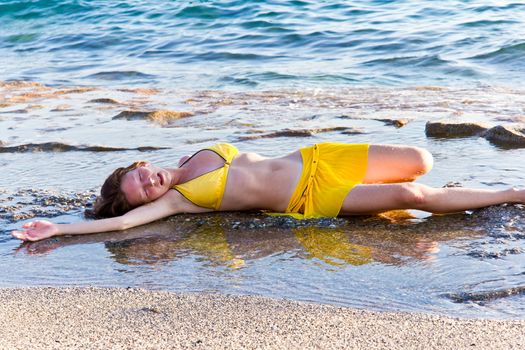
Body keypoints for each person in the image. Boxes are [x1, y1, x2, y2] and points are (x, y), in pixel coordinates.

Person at [11, 142, 525, 242]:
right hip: (309, 199)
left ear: (145, 164)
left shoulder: (192, 153)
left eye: (142, 176)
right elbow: (119, 224)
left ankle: (456, 192)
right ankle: (510, 192)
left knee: (422, 159)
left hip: (316, 157)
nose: (150, 185)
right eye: (143, 192)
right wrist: (58, 227)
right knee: (415, 197)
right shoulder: (181, 199)